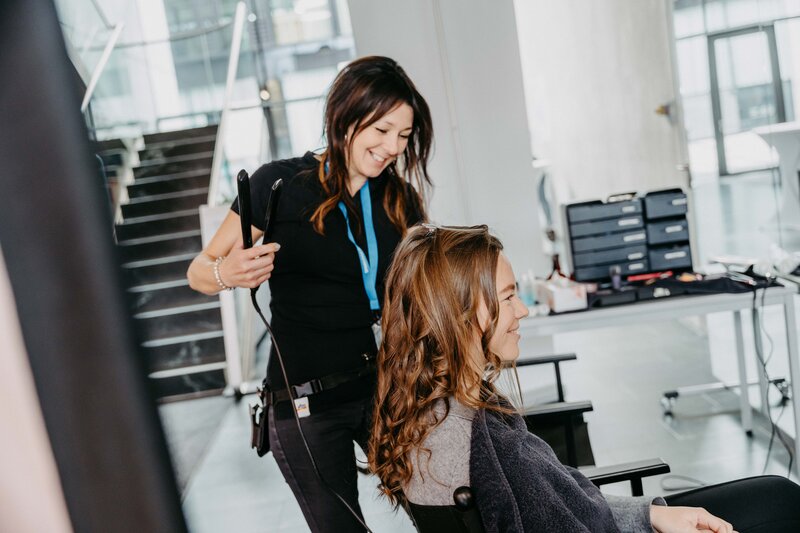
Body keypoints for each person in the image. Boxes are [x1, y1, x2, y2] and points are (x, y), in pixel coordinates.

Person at [370, 224, 800, 532]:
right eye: (507, 296)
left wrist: (652, 513)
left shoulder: (435, 412)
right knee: (778, 500)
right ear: (461, 314)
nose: (521, 310)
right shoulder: (486, 445)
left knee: (772, 494)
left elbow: (565, 502)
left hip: (607, 520)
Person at [187, 56, 433, 532]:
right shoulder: (279, 186)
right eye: (381, 130)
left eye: (403, 137)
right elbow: (198, 271)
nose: (390, 148)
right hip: (304, 405)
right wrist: (227, 272)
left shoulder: (399, 198)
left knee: (443, 508)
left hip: (382, 390)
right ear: (345, 117)